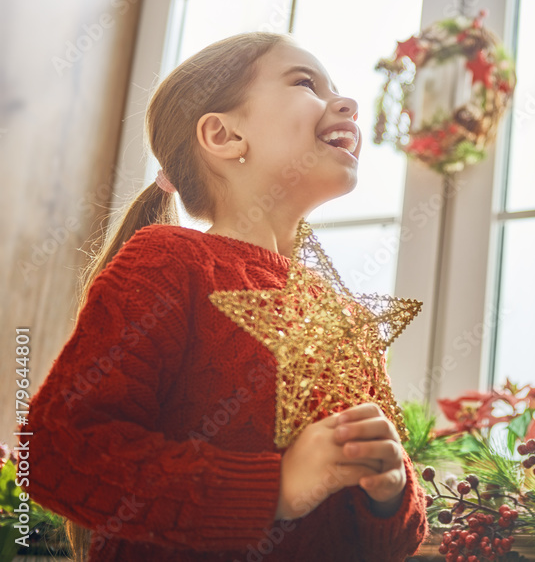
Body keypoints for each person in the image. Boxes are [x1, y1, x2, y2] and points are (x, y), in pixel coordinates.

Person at [16, 31, 428, 561]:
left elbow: (389, 544)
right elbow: (56, 451)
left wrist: (388, 494)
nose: (345, 103)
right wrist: (276, 486)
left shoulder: (347, 317)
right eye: (306, 83)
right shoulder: (168, 263)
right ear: (223, 135)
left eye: (339, 89)